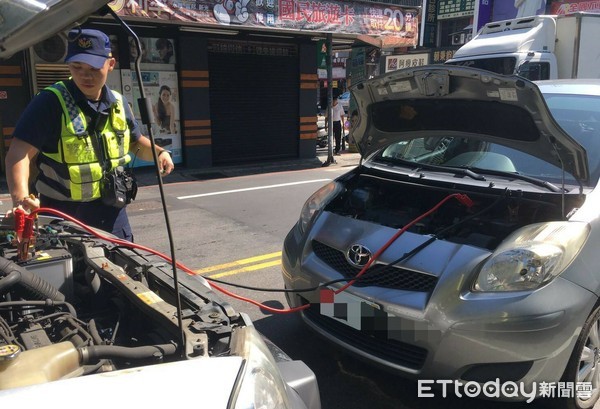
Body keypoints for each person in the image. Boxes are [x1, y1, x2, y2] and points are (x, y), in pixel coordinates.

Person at [5, 28, 175, 242]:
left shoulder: (119, 103)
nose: (85, 75)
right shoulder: (49, 102)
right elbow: (18, 154)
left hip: (113, 214)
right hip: (62, 216)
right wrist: (20, 200)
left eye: (94, 68)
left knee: (123, 273)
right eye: (77, 67)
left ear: (110, 64)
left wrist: (160, 153)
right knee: (69, 274)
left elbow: (134, 142)